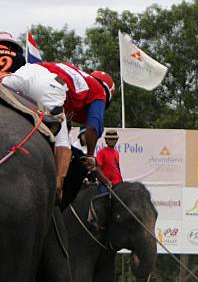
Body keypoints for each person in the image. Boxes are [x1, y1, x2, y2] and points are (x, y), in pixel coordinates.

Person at [0, 62, 115, 199]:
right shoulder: (99, 91)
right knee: (64, 147)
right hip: (50, 86)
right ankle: (56, 191)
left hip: (26, 71)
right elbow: (93, 127)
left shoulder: (76, 75)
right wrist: (90, 155)